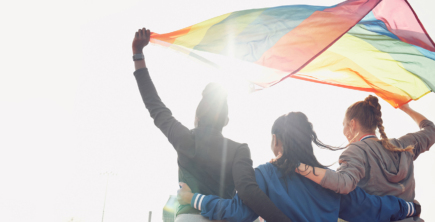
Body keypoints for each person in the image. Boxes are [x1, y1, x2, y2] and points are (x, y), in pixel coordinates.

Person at [131, 28, 293, 222]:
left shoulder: (184, 138)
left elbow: (154, 105)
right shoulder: (238, 150)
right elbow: (249, 192)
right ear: (226, 121)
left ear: (197, 117)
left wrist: (138, 54)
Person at [177, 112, 421, 222]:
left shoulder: (264, 175)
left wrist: (195, 198)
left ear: (275, 140)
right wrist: (409, 207)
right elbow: (372, 207)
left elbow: (236, 212)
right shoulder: (330, 182)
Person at [295, 95, 434, 222]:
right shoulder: (402, 145)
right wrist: (405, 108)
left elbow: (343, 183)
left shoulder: (356, 151)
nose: (344, 132)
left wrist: (297, 166)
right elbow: (431, 130)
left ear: (353, 124)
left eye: (344, 125)